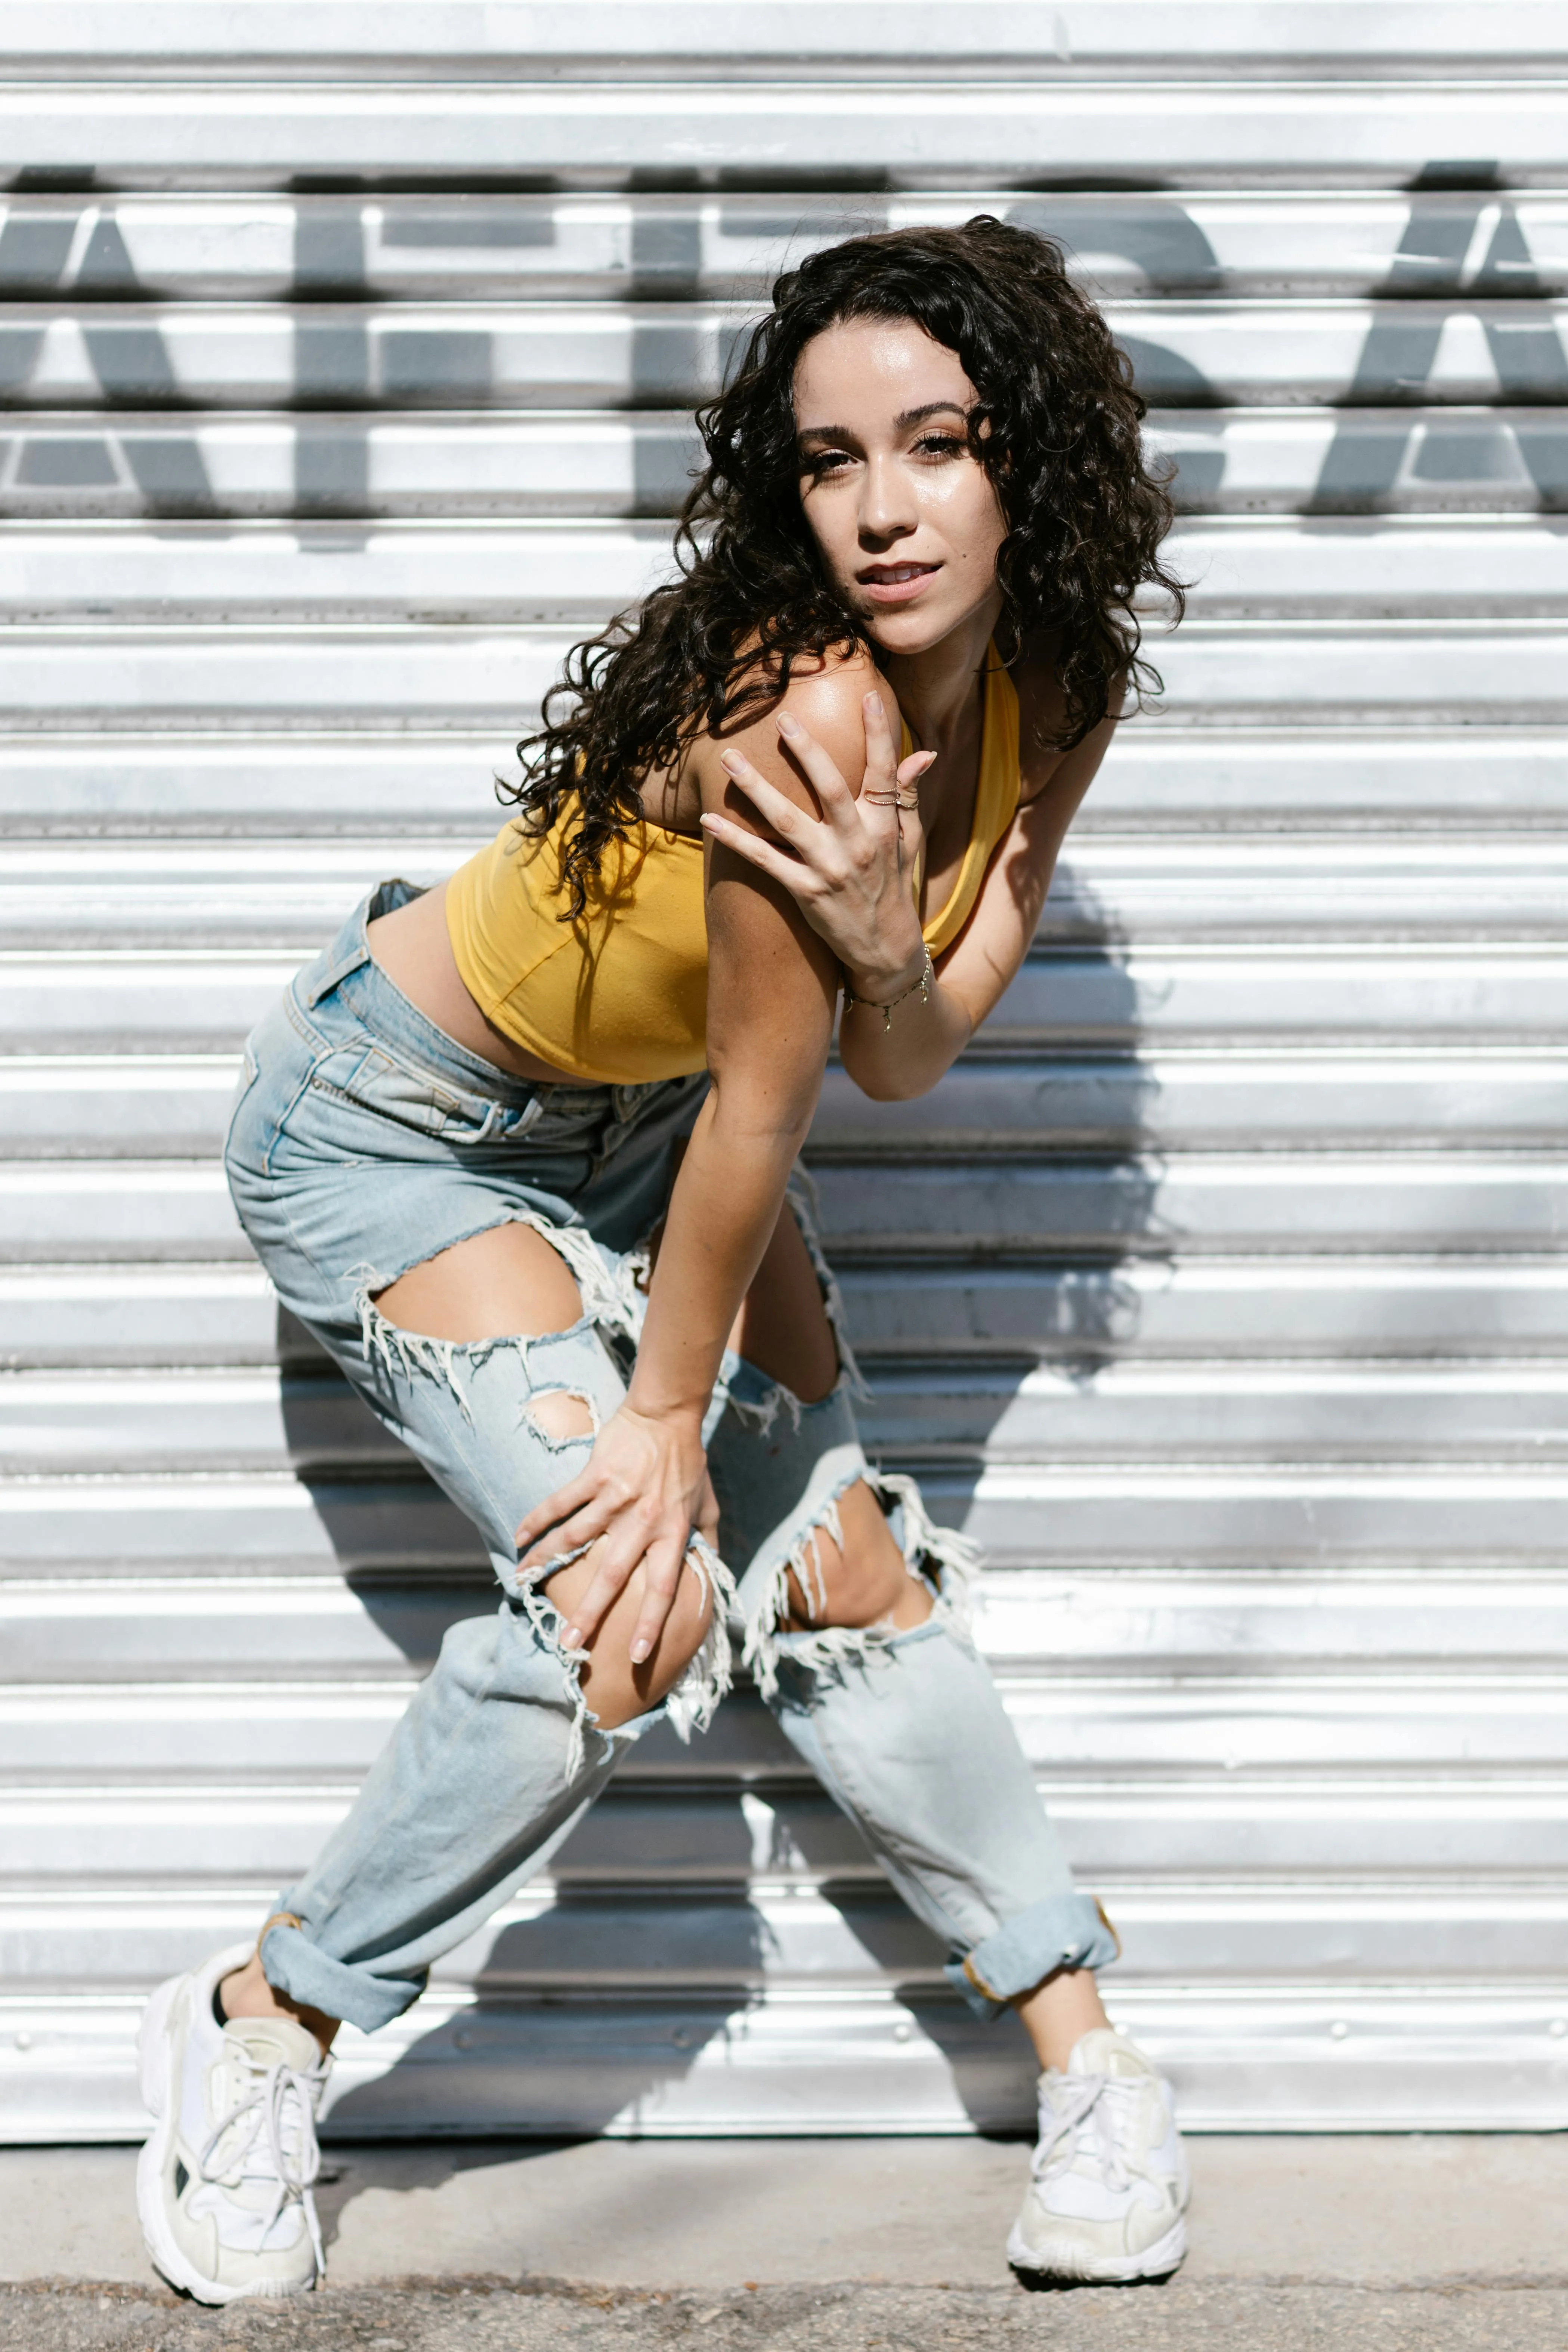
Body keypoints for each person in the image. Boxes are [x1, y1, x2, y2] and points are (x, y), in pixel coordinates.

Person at [134, 217, 1190, 2306]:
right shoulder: (800, 717)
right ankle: (264, 2020)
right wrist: (657, 1425)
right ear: (781, 488)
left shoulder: (1057, 679)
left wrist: (896, 949)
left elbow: (900, 1034)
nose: (883, 511)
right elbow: (777, 1111)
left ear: (1030, 462)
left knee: (853, 1565)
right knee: (624, 1609)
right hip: (399, 1123)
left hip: (657, 1127)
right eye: (827, 462)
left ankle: (1092, 2068)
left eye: (940, 444)